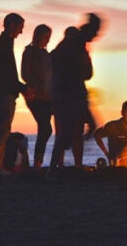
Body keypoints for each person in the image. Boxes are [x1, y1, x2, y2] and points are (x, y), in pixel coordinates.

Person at [48, 13, 102, 173]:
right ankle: (54, 168)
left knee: (79, 129)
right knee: (69, 133)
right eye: (96, 32)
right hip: (69, 94)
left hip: (71, 93)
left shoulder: (70, 46)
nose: (97, 36)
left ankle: (59, 165)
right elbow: (85, 73)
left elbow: (85, 73)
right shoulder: (75, 44)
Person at [0, 13, 29, 175]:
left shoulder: (5, 42)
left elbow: (9, 73)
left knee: (3, 128)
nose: (21, 32)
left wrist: (20, 87)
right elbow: (8, 73)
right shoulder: (4, 43)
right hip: (4, 92)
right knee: (3, 129)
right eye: (20, 28)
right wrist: (22, 88)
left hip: (4, 90)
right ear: (12, 25)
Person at [21, 24, 54, 168]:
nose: (47, 40)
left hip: (49, 96)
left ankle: (39, 163)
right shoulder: (29, 52)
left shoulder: (47, 55)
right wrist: (37, 84)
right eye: (45, 37)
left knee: (45, 129)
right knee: (45, 128)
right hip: (36, 96)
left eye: (48, 38)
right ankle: (37, 163)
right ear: (38, 36)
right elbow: (24, 74)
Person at [93, 100, 127, 169]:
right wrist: (107, 154)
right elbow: (97, 134)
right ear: (122, 113)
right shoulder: (112, 126)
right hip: (118, 161)